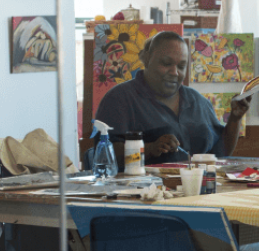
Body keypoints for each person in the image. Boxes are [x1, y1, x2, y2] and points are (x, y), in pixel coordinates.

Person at [95, 31, 249, 164]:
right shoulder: (119, 100)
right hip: (143, 192)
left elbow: (219, 152)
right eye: (166, 63)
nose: (175, 72)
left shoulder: (198, 102)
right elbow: (104, 155)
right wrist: (149, 148)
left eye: (181, 66)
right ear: (147, 59)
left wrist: (235, 120)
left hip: (196, 188)